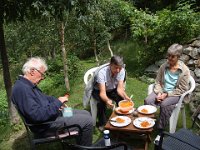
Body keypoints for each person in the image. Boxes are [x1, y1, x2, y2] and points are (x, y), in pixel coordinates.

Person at [11, 57, 93, 146]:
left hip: (53, 115)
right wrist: (57, 104)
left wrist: (57, 101)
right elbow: (36, 115)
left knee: (85, 113)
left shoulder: (28, 84)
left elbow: (45, 98)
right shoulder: (22, 89)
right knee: (88, 120)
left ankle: (80, 143)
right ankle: (85, 148)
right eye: (42, 74)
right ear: (32, 71)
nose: (42, 78)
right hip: (47, 125)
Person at [144, 43, 190, 143]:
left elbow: (182, 90)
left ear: (178, 56)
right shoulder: (164, 66)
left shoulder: (184, 71)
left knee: (165, 104)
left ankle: (160, 131)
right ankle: (147, 124)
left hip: (175, 94)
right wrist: (159, 93)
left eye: (172, 56)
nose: (169, 58)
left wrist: (166, 95)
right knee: (148, 100)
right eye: (168, 55)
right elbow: (158, 81)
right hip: (162, 91)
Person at [92, 55, 131, 129]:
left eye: (119, 68)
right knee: (101, 102)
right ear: (110, 65)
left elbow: (120, 89)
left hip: (111, 89)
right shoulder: (102, 73)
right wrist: (107, 100)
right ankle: (102, 124)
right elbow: (102, 93)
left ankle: (123, 118)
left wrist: (125, 97)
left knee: (122, 99)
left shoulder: (122, 70)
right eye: (116, 68)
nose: (118, 71)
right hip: (99, 90)